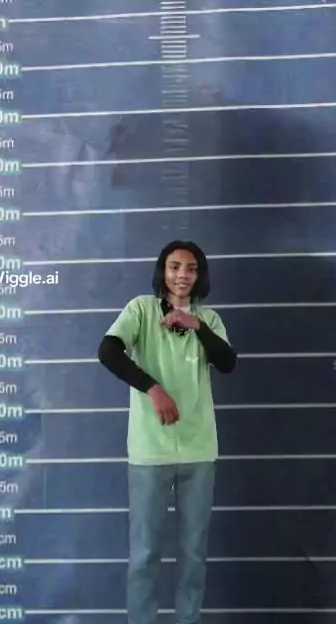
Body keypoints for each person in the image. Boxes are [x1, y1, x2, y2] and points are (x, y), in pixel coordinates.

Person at [97, 240, 237, 624]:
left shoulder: (209, 320)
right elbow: (108, 351)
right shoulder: (141, 310)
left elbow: (227, 362)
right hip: (150, 451)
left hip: (199, 450)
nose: (182, 275)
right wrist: (152, 388)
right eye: (175, 267)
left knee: (194, 554)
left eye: (191, 268)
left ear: (200, 275)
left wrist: (197, 326)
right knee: (145, 554)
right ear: (163, 271)